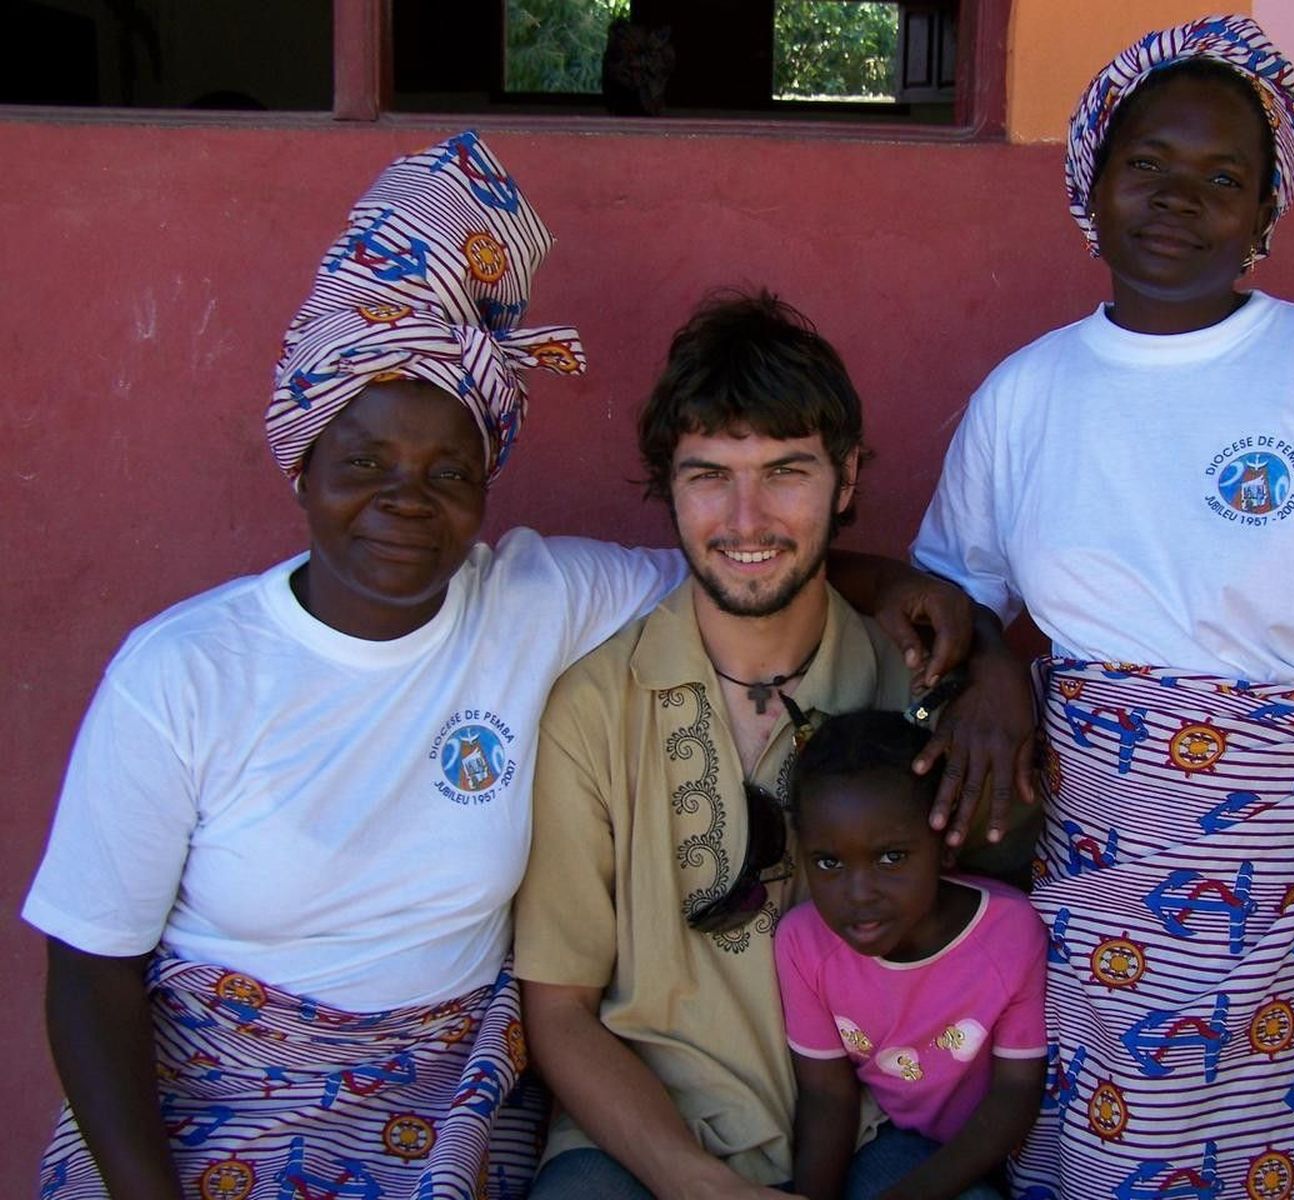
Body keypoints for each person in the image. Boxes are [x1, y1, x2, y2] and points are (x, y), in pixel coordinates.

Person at [21, 136, 997, 1200]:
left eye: (449, 469)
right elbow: (90, 966)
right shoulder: (184, 672)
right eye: (363, 463)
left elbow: (751, 562)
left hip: (439, 1089)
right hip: (216, 1076)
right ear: (300, 461)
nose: (406, 501)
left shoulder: (537, 602)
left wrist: (962, 634)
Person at [911, 16, 1294, 1200]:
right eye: (1146, 165)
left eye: (1220, 178)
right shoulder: (1026, 395)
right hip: (1103, 899)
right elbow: (947, 594)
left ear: (1264, 213)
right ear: (1091, 176)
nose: (1176, 200)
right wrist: (988, 662)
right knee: (1109, 1162)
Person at [513, 290, 1033, 1199]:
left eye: (787, 471)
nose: (747, 518)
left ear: (849, 479)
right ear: (665, 484)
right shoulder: (596, 706)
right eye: (709, 474)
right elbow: (559, 1007)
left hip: (880, 1121)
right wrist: (686, 1178)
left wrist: (989, 663)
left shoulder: (916, 692)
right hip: (649, 1136)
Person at [776, 710, 1046, 1200]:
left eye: (891, 857)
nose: (859, 893)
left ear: (944, 847)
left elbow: (1016, 1092)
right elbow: (827, 1095)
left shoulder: (1010, 933)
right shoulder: (803, 943)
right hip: (889, 1142)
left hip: (997, 1158)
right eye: (829, 862)